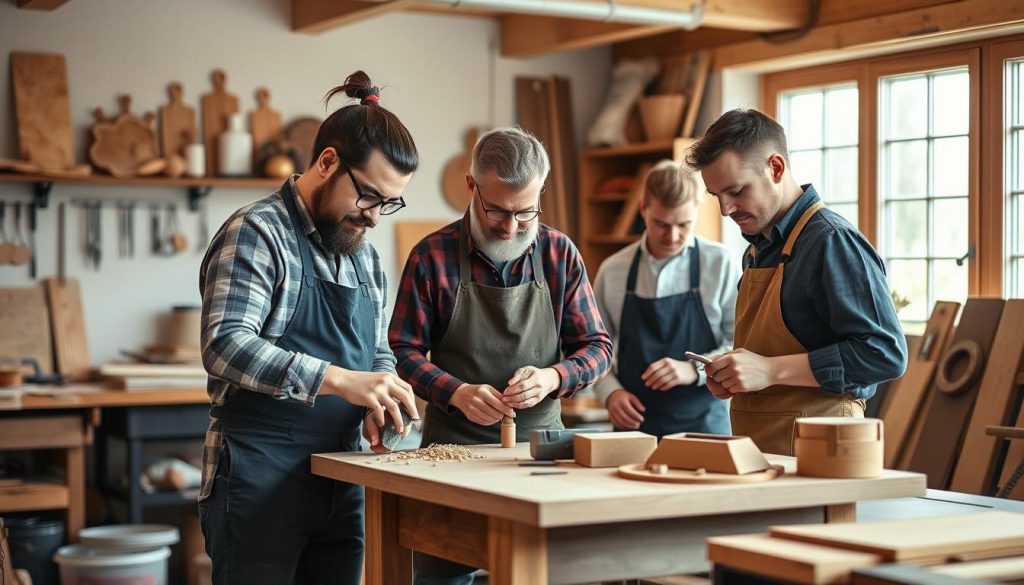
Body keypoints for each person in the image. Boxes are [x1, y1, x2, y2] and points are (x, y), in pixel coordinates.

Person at [198, 71, 420, 585]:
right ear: (327, 163)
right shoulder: (257, 231)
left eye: (390, 203)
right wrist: (341, 380)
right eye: (368, 197)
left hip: (343, 476)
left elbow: (376, 351)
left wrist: (379, 396)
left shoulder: (362, 256)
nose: (374, 218)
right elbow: (225, 344)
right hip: (258, 475)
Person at [389, 126, 612, 585]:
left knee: (545, 572)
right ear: (472, 187)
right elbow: (401, 351)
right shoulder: (431, 257)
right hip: (452, 454)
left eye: (526, 212)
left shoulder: (558, 255)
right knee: (440, 574)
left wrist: (552, 378)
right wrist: (455, 391)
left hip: (543, 455)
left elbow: (597, 348)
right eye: (497, 211)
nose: (511, 227)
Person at [686, 108, 907, 455]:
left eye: (737, 191)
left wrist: (771, 370)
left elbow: (884, 354)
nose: (726, 209)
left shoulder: (830, 241)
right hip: (759, 452)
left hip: (823, 455)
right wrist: (737, 374)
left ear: (775, 168)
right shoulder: (759, 248)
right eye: (717, 197)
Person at [592, 160, 740, 438]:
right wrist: (610, 393)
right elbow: (592, 349)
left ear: (697, 210)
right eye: (661, 224)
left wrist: (695, 369)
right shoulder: (613, 271)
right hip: (633, 433)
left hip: (707, 429)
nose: (672, 236)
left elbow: (742, 345)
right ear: (643, 209)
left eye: (683, 224)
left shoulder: (721, 264)